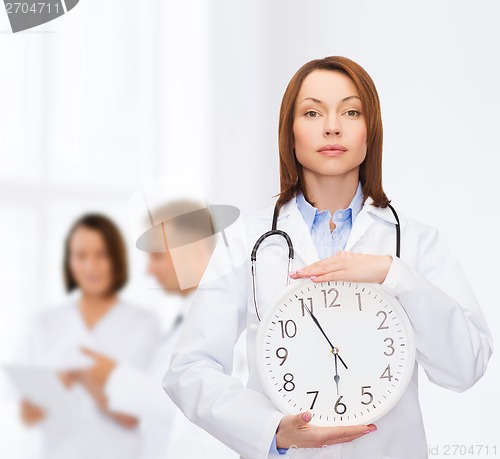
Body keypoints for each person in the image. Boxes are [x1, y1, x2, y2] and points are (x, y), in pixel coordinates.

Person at [163, 56, 493, 459]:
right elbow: (189, 369)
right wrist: (272, 430)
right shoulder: (246, 241)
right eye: (313, 112)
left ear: (371, 132)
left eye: (351, 111)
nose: (332, 126)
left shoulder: (416, 243)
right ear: (291, 132)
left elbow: (466, 367)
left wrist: (395, 275)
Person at [73, 201, 242, 459]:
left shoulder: (232, 323)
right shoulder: (181, 321)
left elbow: (198, 406)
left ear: (194, 250)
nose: (150, 269)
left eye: (157, 256)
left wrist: (113, 377)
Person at [19, 214, 161, 459]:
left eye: (101, 255)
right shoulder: (44, 324)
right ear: (69, 262)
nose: (90, 266)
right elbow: (28, 416)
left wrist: (83, 376)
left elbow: (132, 416)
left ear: (116, 259)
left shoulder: (144, 324)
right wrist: (50, 393)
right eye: (81, 256)